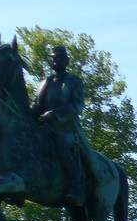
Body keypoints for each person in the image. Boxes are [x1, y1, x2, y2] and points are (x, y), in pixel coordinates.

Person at [32, 45, 92, 206]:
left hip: (66, 130)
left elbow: (77, 106)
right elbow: (35, 107)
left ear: (67, 61)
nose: (56, 60)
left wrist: (55, 114)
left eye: (59, 58)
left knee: (62, 149)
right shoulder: (44, 83)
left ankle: (77, 189)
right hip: (44, 130)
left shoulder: (75, 82)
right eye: (54, 58)